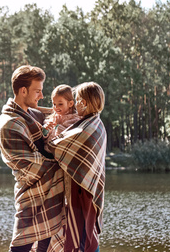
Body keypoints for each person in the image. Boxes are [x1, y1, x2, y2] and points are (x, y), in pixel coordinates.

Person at [0, 65, 66, 252]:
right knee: (20, 246)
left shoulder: (31, 113)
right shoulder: (9, 125)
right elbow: (29, 166)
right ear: (23, 90)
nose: (41, 96)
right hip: (31, 192)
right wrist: (63, 165)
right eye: (38, 91)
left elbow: (55, 115)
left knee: (46, 243)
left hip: (48, 192)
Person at [46, 82, 107, 252]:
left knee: (84, 236)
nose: (75, 103)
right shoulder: (92, 122)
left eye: (78, 99)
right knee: (83, 233)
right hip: (83, 186)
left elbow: (57, 146)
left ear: (84, 103)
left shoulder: (89, 126)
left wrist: (48, 135)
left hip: (82, 189)